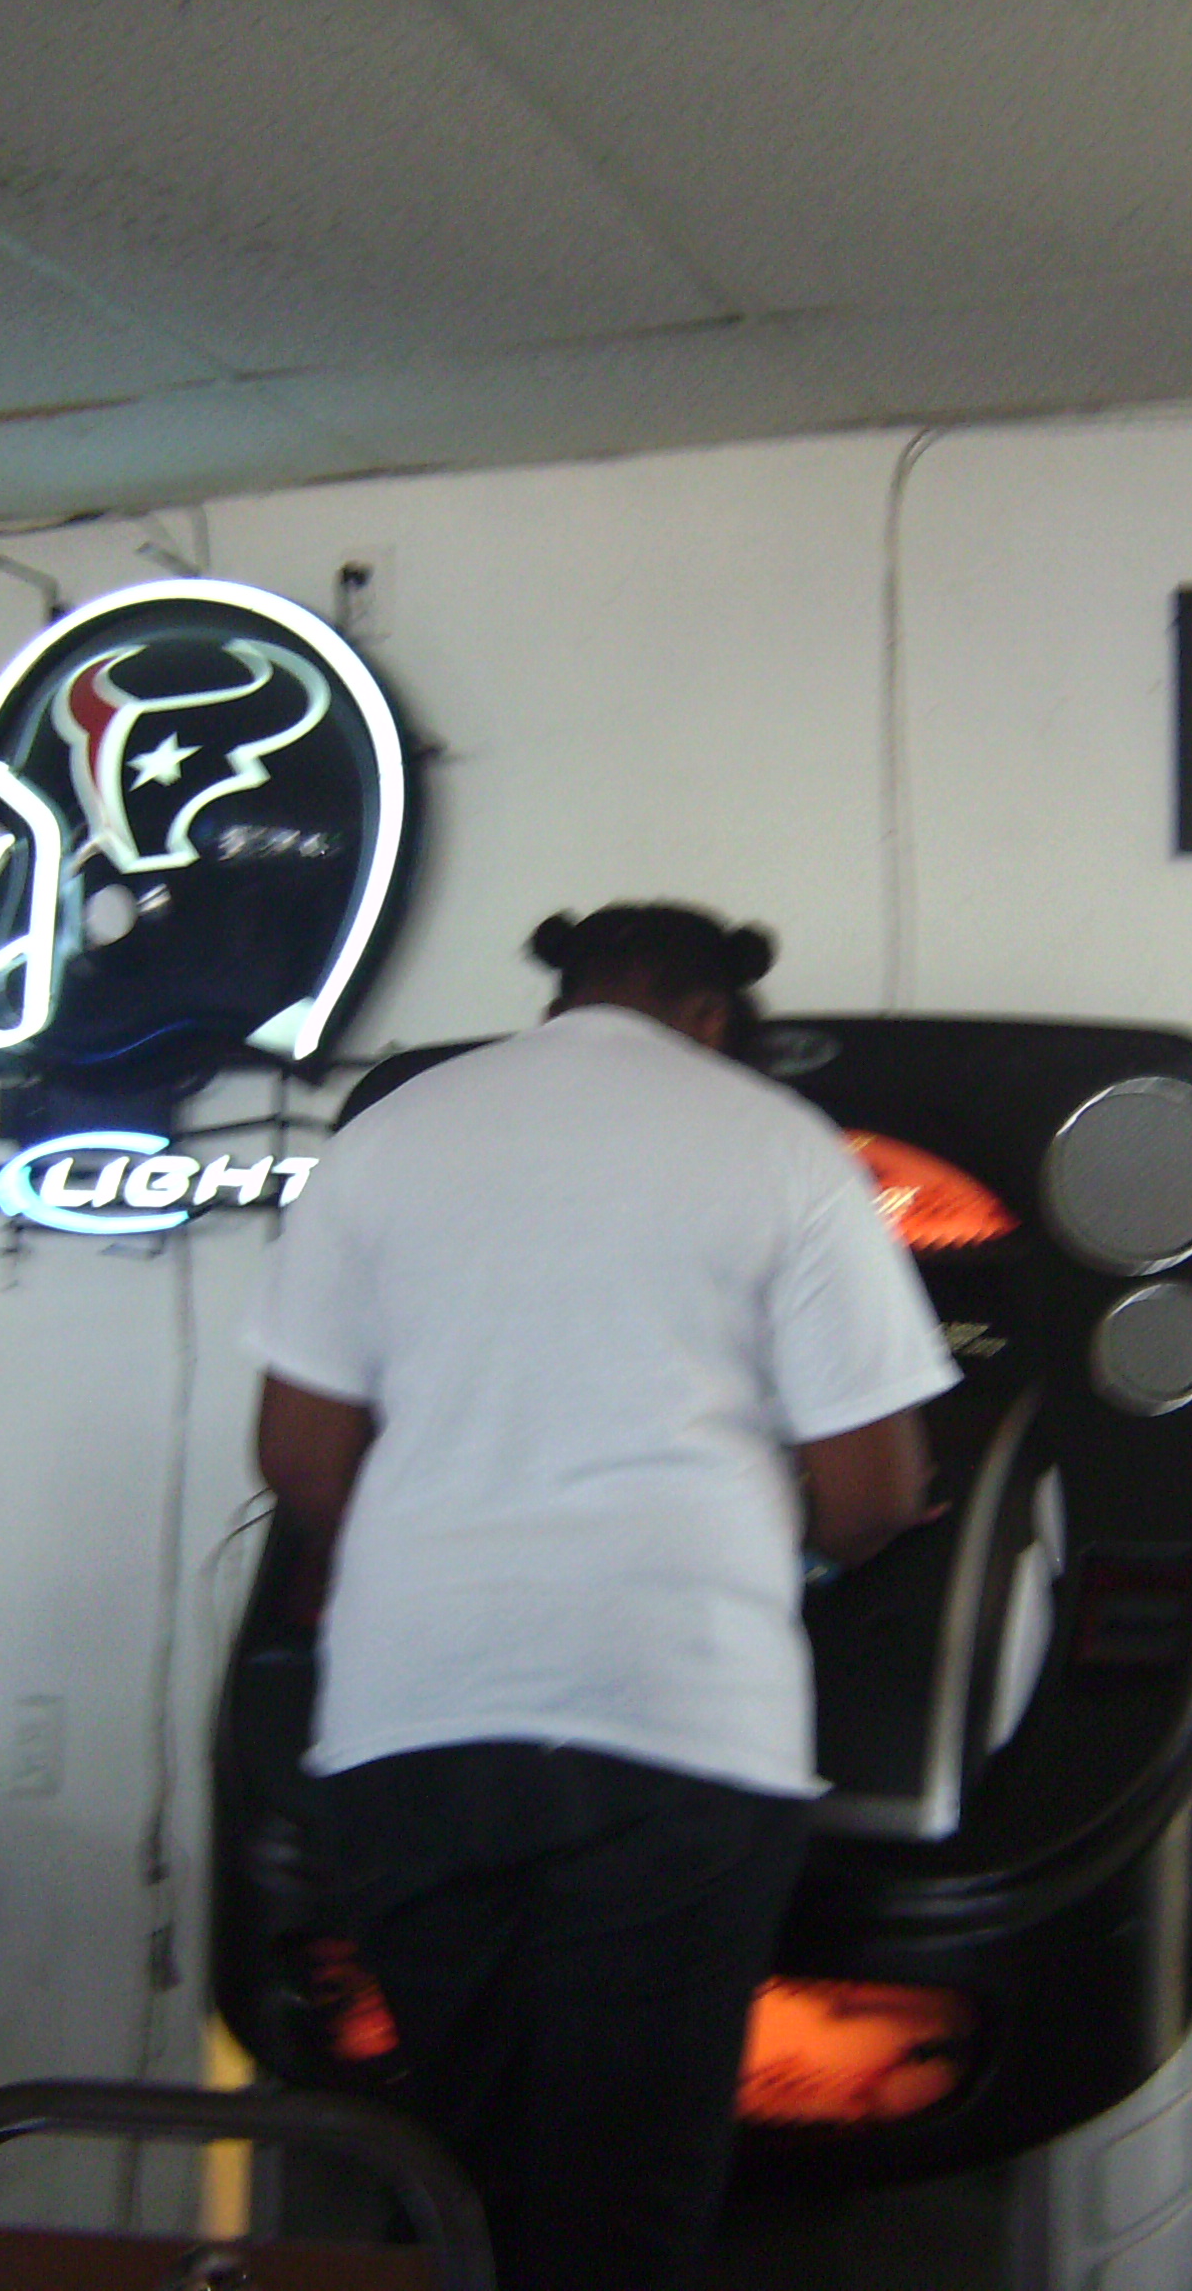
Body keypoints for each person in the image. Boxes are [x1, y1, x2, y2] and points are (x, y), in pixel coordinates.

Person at [247, 902, 957, 2291]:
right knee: (623, 2195)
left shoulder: (389, 1136)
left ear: (561, 996)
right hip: (673, 1720)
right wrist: (805, 1556)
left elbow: (300, 1458)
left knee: (458, 2172)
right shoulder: (779, 1145)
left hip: (410, 1721)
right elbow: (878, 1488)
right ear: (711, 1016)